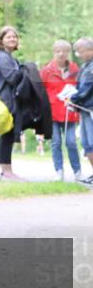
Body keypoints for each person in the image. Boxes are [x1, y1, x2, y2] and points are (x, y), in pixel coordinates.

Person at [39, 40, 81, 181]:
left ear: (69, 52)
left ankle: (77, 172)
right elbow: (40, 92)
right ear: (54, 52)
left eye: (64, 51)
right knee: (55, 142)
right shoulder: (46, 71)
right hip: (51, 113)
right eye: (58, 51)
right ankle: (59, 171)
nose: (61, 54)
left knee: (71, 142)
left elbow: (81, 89)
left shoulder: (75, 70)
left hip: (70, 112)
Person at [0, 26, 26, 180]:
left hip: (8, 100)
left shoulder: (8, 57)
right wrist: (26, 70)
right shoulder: (2, 57)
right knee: (7, 135)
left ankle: (7, 171)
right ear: (1, 40)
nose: (13, 39)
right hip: (5, 101)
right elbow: (12, 78)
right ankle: (7, 172)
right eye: (8, 37)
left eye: (14, 37)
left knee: (9, 135)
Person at [66, 37, 93, 185]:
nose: (78, 54)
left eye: (80, 51)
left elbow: (87, 88)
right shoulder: (84, 66)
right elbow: (79, 86)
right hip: (84, 110)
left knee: (92, 141)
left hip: (91, 109)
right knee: (86, 142)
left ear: (90, 50)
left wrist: (74, 99)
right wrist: (70, 97)